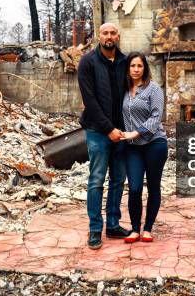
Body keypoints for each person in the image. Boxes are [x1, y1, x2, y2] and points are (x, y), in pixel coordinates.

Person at [77, 22, 131, 250]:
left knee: (118, 180)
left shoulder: (125, 61)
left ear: (118, 36)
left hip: (122, 132)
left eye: (113, 33)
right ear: (98, 36)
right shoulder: (87, 62)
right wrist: (109, 129)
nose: (109, 36)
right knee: (97, 180)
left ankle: (113, 224)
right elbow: (90, 101)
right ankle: (95, 229)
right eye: (105, 33)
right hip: (98, 132)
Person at [121, 52, 167, 243]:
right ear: (128, 68)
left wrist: (135, 132)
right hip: (133, 148)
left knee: (153, 187)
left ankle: (147, 229)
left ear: (145, 68)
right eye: (133, 66)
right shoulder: (123, 89)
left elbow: (156, 117)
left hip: (155, 144)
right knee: (134, 188)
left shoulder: (154, 89)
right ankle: (134, 229)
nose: (136, 69)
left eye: (140, 66)